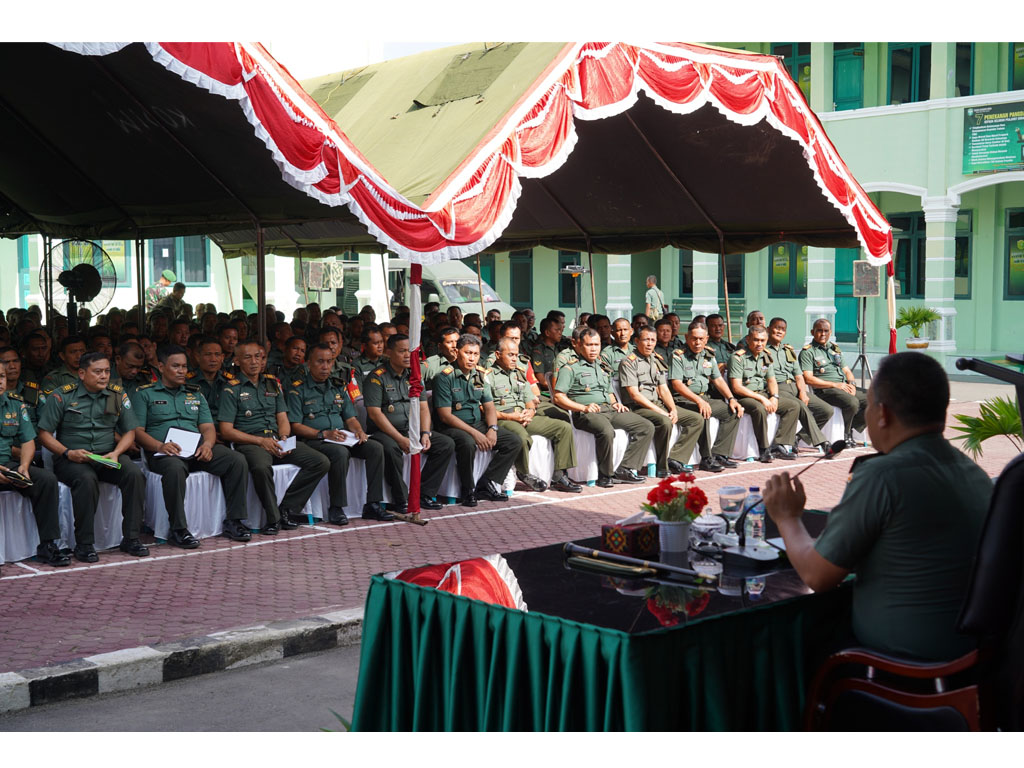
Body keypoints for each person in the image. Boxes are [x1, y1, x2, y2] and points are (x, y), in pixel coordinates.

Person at [763, 352, 992, 661]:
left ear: (882, 413)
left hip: (902, 660)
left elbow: (817, 576)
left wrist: (787, 517)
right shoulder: (974, 473)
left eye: (868, 405)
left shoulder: (882, 475)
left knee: (786, 645)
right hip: (974, 652)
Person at [132, 345, 252, 546]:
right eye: (176, 366)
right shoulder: (145, 394)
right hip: (165, 452)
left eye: (184, 366)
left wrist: (208, 445)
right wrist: (160, 446)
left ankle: (235, 520)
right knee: (174, 469)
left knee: (236, 460)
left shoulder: (195, 394)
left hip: (196, 449)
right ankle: (178, 529)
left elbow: (207, 427)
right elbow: (137, 431)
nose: (182, 371)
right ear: (161, 367)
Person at [36, 352, 148, 561]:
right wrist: (67, 452)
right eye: (97, 372)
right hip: (72, 458)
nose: (104, 376)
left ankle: (131, 538)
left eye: (106, 371)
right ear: (82, 373)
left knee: (134, 474)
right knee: (86, 480)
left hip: (107, 455)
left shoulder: (116, 394)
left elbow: (129, 432)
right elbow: (43, 434)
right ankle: (84, 544)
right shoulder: (63, 396)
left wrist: (117, 453)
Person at [218, 341, 330, 535]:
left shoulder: (272, 384)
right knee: (261, 467)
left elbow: (282, 418)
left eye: (258, 357)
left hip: (277, 439)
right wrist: (260, 441)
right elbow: (226, 431)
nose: (254, 362)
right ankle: (273, 518)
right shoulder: (231, 389)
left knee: (320, 462)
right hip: (251, 442)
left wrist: (284, 437)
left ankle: (286, 508)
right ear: (237, 361)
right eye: (248, 357)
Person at [286, 343, 393, 525]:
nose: (325, 366)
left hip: (341, 437)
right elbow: (295, 426)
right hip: (315, 439)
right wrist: (323, 434)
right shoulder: (298, 389)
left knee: (375, 448)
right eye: (320, 362)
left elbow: (350, 418)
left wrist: (359, 431)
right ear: (309, 364)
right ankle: (336, 507)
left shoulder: (338, 386)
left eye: (329, 361)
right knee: (340, 453)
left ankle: (373, 504)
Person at [362, 334, 455, 513]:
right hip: (385, 432)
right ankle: (401, 498)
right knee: (391, 449)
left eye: (410, 351)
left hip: (410, 430)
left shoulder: (414, 375)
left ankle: (424, 493)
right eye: (402, 351)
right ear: (389, 353)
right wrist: (399, 439)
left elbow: (423, 408)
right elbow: (375, 414)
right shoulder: (377, 377)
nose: (407, 355)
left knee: (445, 444)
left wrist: (425, 433)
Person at [553, 327, 654, 487]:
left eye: (596, 345)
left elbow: (609, 391)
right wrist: (583, 408)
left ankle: (625, 469)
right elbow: (558, 397)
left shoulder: (602, 366)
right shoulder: (570, 368)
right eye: (589, 345)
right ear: (579, 346)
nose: (593, 349)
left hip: (609, 409)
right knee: (607, 431)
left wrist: (615, 403)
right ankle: (605, 475)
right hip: (586, 413)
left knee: (646, 426)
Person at [432, 334, 520, 507]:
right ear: (457, 352)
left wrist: (493, 428)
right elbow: (445, 416)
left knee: (513, 441)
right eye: (467, 353)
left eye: (476, 354)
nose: (472, 358)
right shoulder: (444, 377)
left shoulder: (480, 375)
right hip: (452, 426)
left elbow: (489, 407)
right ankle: (467, 490)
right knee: (467, 443)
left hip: (477, 424)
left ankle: (487, 482)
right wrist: (475, 433)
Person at [490, 338, 581, 493]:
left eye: (516, 355)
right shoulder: (488, 376)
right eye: (510, 355)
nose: (514, 359)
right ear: (498, 355)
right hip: (504, 418)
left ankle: (558, 475)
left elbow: (530, 400)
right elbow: (485, 407)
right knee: (521, 437)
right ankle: (524, 472)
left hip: (524, 416)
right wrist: (511, 417)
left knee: (563, 427)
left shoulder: (519, 373)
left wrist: (530, 412)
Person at [0, 365, 69, 567]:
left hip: (7, 464)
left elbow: (28, 440)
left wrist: (24, 465)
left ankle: (48, 545)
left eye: (1, 376)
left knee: (47, 480)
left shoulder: (15, 404)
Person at [618, 326, 702, 477]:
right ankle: (662, 467)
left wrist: (673, 409)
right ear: (636, 341)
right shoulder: (628, 362)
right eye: (646, 340)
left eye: (653, 340)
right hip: (639, 407)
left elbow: (663, 389)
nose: (650, 344)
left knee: (696, 419)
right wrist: (661, 412)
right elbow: (635, 395)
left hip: (658, 404)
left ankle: (676, 459)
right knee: (665, 421)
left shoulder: (656, 360)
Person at [667, 321, 744, 473]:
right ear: (686, 337)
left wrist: (731, 399)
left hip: (704, 398)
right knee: (704, 413)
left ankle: (719, 454)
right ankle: (705, 459)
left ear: (706, 339)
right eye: (694, 338)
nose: (697, 342)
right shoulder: (678, 355)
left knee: (733, 412)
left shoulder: (708, 355)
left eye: (701, 339)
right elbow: (677, 384)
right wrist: (699, 401)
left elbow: (718, 379)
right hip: (683, 400)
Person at [727, 325, 800, 463]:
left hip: (763, 394)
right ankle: (763, 448)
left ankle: (779, 445)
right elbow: (737, 387)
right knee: (759, 409)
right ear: (748, 339)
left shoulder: (766, 356)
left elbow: (771, 380)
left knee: (793, 406)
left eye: (763, 340)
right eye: (756, 340)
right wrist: (762, 399)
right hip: (744, 397)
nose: (759, 344)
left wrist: (774, 397)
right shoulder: (737, 358)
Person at [766, 317, 832, 455]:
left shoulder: (788, 350)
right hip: (778, 388)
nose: (779, 331)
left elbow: (799, 376)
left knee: (826, 410)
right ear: (768, 329)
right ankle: (823, 443)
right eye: (777, 328)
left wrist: (802, 392)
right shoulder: (763, 350)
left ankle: (798, 438)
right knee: (800, 406)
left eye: (783, 329)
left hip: (795, 388)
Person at [799, 318, 868, 447]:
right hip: (825, 390)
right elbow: (808, 378)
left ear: (830, 332)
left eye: (826, 331)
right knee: (852, 402)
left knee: (874, 399)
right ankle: (846, 435)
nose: (823, 334)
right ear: (812, 332)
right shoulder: (808, 352)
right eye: (819, 331)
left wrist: (852, 384)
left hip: (843, 387)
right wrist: (835, 385)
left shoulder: (834, 349)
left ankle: (852, 426)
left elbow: (847, 371)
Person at [189, 337, 239, 423]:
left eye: (217, 355)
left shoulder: (229, 381)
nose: (213, 359)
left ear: (222, 357)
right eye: (208, 354)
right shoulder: (188, 381)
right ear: (198, 357)